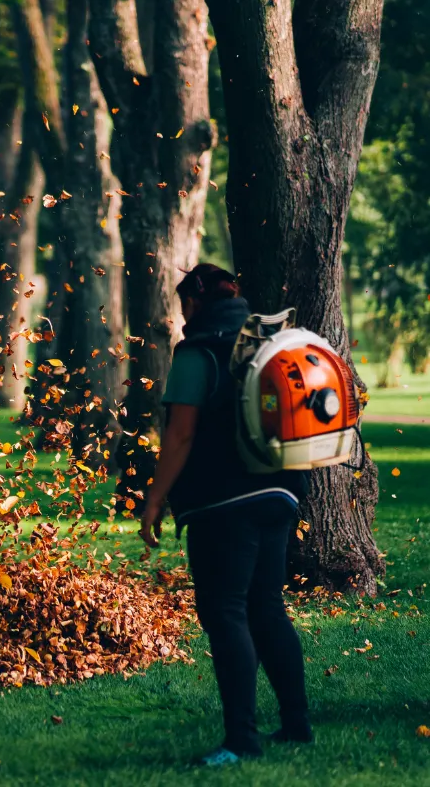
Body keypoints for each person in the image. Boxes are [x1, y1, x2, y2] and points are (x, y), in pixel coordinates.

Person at [140, 264, 313, 767]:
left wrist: (155, 501)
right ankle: (297, 726)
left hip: (222, 503)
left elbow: (180, 435)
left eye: (182, 307)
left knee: (226, 612)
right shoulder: (269, 340)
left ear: (193, 304)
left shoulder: (197, 351)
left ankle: (241, 740)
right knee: (267, 609)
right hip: (281, 493)